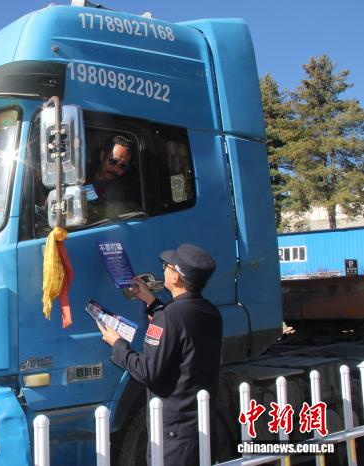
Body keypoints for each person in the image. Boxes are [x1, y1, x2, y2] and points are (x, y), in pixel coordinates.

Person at [98, 243, 222, 466]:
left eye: (167, 266)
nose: (163, 269)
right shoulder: (210, 312)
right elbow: (181, 330)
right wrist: (151, 301)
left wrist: (117, 343)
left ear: (176, 277)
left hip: (173, 436)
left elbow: (148, 371)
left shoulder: (169, 317)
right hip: (200, 428)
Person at [88, 135, 141, 219]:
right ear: (102, 156)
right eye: (112, 161)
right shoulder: (82, 176)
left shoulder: (126, 189)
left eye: (122, 166)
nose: (116, 169)